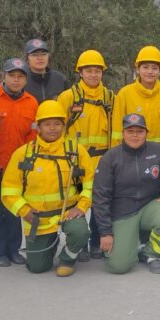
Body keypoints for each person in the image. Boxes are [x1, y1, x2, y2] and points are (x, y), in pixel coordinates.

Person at [0, 101, 94, 277]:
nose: (53, 128)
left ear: (64, 125)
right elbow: (8, 190)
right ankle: (49, 245)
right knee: (37, 267)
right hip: (38, 219)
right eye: (47, 124)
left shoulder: (76, 151)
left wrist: (81, 206)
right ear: (38, 127)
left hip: (68, 212)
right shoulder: (23, 154)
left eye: (58, 124)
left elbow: (89, 183)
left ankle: (68, 258)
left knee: (81, 232)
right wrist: (23, 210)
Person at [92, 114, 160, 274]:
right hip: (122, 214)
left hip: (149, 207)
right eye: (130, 131)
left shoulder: (157, 150)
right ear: (123, 133)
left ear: (146, 133)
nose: (135, 135)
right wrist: (105, 232)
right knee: (118, 266)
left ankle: (152, 254)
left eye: (140, 131)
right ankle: (134, 242)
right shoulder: (110, 157)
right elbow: (100, 197)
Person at [57, 49, 114, 261]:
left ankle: (98, 242)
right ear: (80, 73)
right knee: (77, 200)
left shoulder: (109, 97)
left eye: (97, 71)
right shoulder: (68, 97)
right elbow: (56, 129)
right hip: (76, 165)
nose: (93, 75)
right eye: (88, 71)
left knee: (101, 201)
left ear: (102, 72)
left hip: (102, 162)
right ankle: (78, 244)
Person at [0, 58, 38, 267]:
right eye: (12, 75)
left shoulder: (32, 102)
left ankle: (14, 249)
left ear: (26, 79)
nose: (16, 80)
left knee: (16, 208)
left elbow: (32, 135)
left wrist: (28, 163)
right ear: (3, 76)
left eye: (20, 76)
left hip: (18, 167)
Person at [111, 44, 160, 149]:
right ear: (137, 69)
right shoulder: (125, 94)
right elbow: (117, 133)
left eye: (154, 68)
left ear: (159, 71)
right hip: (132, 156)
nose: (150, 72)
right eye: (145, 67)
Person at [23, 38, 69, 103]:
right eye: (35, 55)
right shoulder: (21, 80)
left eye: (43, 54)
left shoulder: (60, 79)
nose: (40, 58)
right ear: (27, 58)